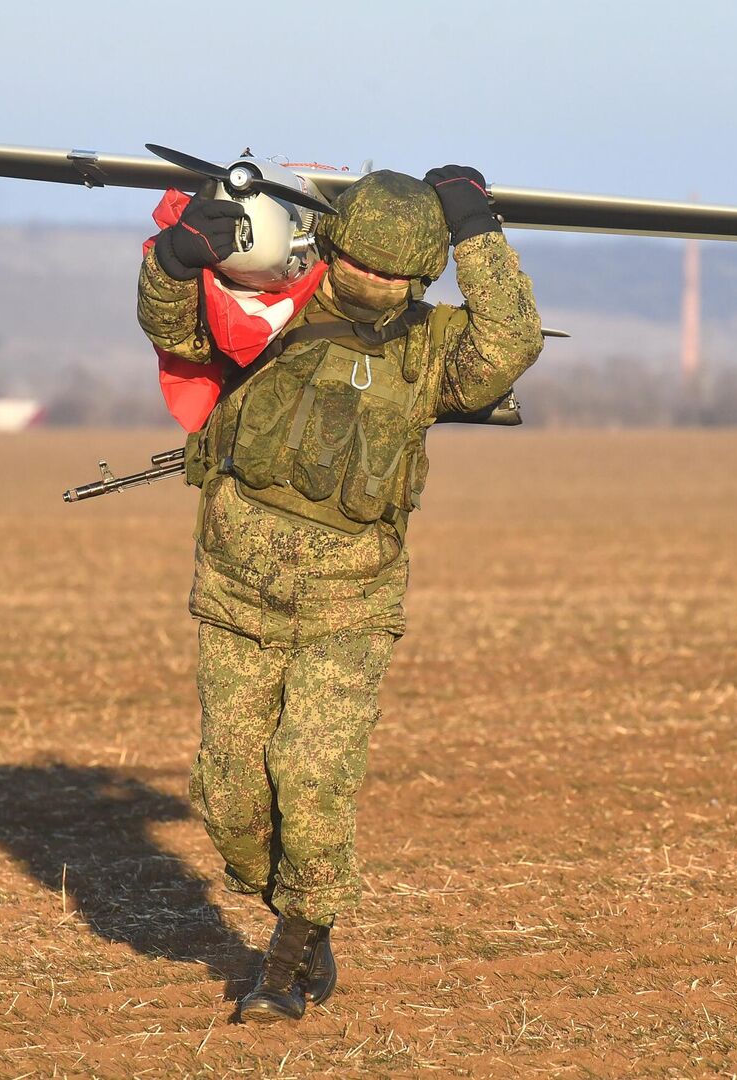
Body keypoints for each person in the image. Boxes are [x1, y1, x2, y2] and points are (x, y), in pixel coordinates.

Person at [136, 165, 543, 1023]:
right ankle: (300, 910)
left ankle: (282, 970)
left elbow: (510, 339)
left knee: (310, 778)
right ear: (332, 245)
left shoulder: (435, 353)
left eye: (400, 273)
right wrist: (176, 258)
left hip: (348, 609)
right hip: (236, 595)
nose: (379, 284)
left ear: (426, 273)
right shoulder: (273, 310)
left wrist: (478, 228)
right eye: (366, 263)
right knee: (228, 798)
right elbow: (177, 331)